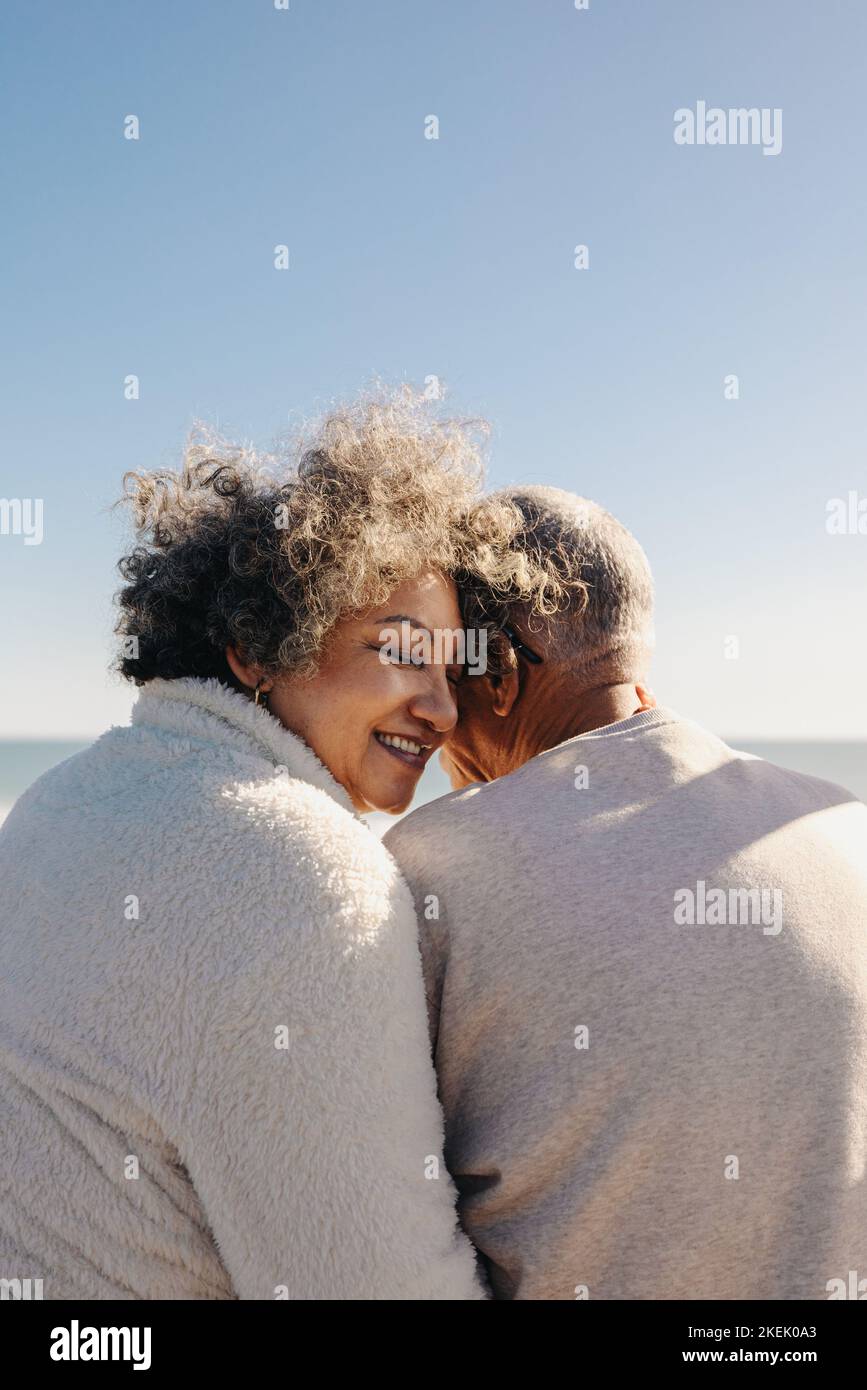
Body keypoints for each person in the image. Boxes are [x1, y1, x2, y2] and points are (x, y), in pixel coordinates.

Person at [0, 392, 555, 1300]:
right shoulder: (299, 870)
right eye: (401, 651)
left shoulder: (62, 799)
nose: (443, 709)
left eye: (452, 670)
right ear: (258, 650)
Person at [385, 485, 867, 1300]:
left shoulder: (430, 866)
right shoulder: (844, 827)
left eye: (441, 670)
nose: (433, 722)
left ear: (496, 670)